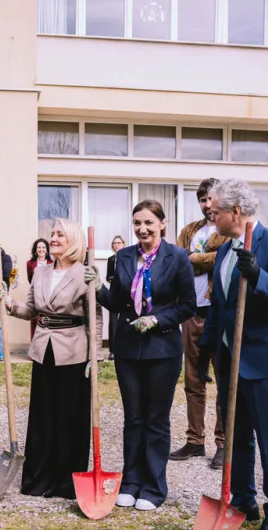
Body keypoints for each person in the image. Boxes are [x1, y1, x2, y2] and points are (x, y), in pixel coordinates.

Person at [199, 178, 268, 530]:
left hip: (263, 360)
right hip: (230, 360)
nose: (212, 218)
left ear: (236, 212)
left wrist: (259, 275)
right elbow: (220, 306)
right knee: (236, 434)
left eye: (216, 213)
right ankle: (243, 499)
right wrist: (206, 347)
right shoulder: (225, 251)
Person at [85, 200, 196, 511]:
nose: (142, 229)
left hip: (162, 349)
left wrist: (158, 319)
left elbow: (187, 305)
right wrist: (97, 287)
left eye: (148, 222)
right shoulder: (122, 257)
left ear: (162, 223)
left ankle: (153, 487)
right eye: (137, 223)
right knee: (133, 418)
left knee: (156, 419)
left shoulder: (177, 257)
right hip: (129, 348)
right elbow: (119, 303)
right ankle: (131, 482)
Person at [0, 220, 98, 499]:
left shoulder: (84, 274)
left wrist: (95, 355)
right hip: (43, 349)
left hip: (74, 351)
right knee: (43, 416)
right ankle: (39, 478)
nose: (53, 238)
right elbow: (29, 310)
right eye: (51, 234)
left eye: (60, 234)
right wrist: (8, 302)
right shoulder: (40, 272)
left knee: (69, 417)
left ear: (73, 240)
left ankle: (66, 481)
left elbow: (95, 317)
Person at [170, 178, 226, 463]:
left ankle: (223, 443)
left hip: (218, 313)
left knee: (224, 381)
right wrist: (195, 257)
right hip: (190, 312)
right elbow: (179, 259)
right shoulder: (190, 230)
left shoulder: (229, 230)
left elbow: (223, 259)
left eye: (211, 199)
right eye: (202, 200)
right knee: (193, 380)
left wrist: (196, 257)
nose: (207, 205)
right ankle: (195, 440)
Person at [27, 238, 53, 340]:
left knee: (47, 322)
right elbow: (30, 279)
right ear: (35, 249)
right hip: (36, 295)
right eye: (39, 247)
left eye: (43, 247)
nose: (41, 249)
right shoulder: (29, 263)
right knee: (35, 321)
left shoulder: (52, 262)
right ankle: (35, 351)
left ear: (46, 250)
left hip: (49, 296)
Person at [105, 235, 126, 360]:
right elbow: (108, 276)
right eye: (114, 243)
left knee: (126, 320)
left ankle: (125, 348)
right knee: (113, 322)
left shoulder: (128, 258)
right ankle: (112, 350)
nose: (117, 245)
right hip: (114, 293)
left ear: (123, 244)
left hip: (126, 293)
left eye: (119, 242)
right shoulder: (111, 259)